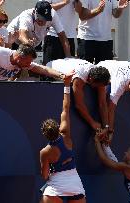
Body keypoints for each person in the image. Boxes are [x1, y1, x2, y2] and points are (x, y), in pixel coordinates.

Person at [39, 73, 86, 203]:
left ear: (45, 134)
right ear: (57, 128)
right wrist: (66, 84)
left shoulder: (45, 152)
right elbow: (66, 107)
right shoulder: (65, 135)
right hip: (74, 185)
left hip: (56, 187)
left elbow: (44, 175)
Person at [46, 58, 111, 132]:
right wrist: (92, 123)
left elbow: (102, 103)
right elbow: (79, 105)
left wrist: (106, 126)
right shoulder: (79, 78)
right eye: (98, 86)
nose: (100, 88)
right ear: (91, 79)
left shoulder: (100, 77)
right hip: (50, 69)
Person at [94, 133, 130, 203]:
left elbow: (104, 159)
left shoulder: (128, 167)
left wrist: (97, 141)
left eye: (127, 152)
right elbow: (114, 161)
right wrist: (104, 145)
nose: (125, 153)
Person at [42, 0, 79, 65]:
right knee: (50, 67)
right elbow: (44, 8)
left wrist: (77, 2)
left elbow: (79, 10)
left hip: (69, 36)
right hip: (53, 35)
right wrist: (64, 2)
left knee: (68, 68)